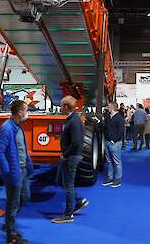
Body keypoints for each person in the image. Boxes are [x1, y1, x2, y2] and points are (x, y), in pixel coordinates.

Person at [0, 100, 33, 244]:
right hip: (14, 173)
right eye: (26, 110)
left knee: (25, 197)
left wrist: (28, 164)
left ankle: (9, 221)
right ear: (19, 112)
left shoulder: (17, 126)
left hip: (22, 171)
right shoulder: (7, 128)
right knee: (13, 203)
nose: (27, 113)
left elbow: (21, 148)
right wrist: (8, 172)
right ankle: (11, 237)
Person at [51, 95, 89, 224]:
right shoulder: (74, 119)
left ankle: (68, 214)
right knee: (67, 184)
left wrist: (65, 154)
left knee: (68, 185)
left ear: (66, 107)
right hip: (72, 156)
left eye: (61, 106)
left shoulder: (73, 120)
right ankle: (78, 201)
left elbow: (76, 142)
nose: (60, 108)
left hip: (71, 157)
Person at [102, 102, 125, 188]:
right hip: (107, 142)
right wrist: (99, 122)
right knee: (109, 161)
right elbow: (105, 127)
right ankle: (110, 178)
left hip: (115, 143)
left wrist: (114, 140)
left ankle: (118, 179)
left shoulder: (119, 118)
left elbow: (121, 131)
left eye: (108, 106)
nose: (107, 108)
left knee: (117, 161)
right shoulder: (108, 117)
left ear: (112, 107)